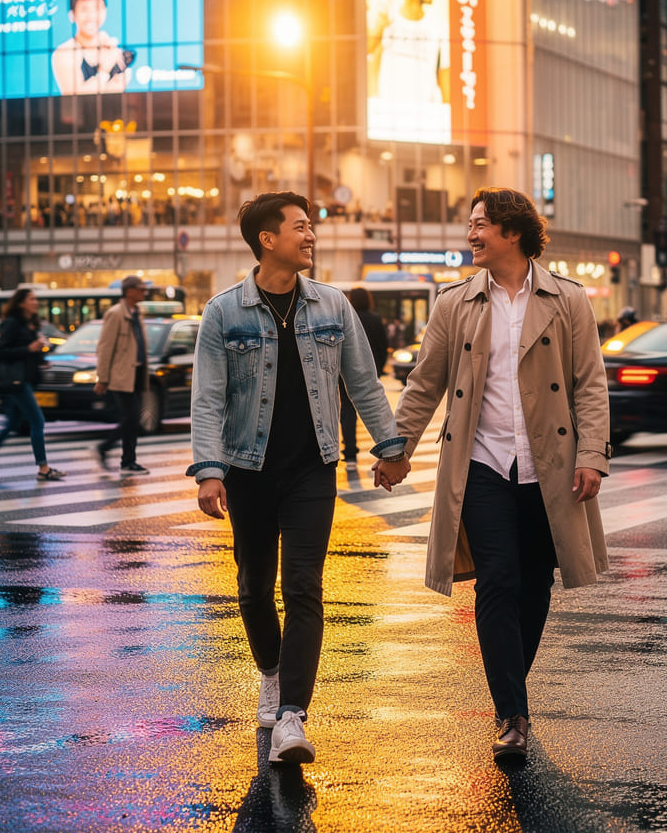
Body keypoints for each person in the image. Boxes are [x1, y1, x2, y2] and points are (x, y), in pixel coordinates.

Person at [387, 187, 610, 763]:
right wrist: (397, 447)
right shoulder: (456, 302)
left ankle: (511, 690)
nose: (471, 234)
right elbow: (425, 382)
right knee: (498, 581)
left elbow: (589, 384)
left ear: (514, 231)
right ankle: (512, 714)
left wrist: (591, 457)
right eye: (470, 224)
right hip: (482, 463)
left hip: (548, 468)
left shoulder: (567, 300)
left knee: (535, 585)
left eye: (481, 224)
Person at [188, 191, 410, 766]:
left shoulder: (334, 306)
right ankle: (271, 670)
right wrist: (209, 472)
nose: (310, 236)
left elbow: (364, 383)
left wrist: (390, 448)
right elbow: (208, 398)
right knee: (253, 587)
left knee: (304, 587)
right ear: (268, 238)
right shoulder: (224, 311)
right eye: (301, 227)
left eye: (310, 228)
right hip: (248, 469)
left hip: (314, 467)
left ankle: (293, 716)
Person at [0, 289, 65, 481]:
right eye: (31, 299)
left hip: (24, 378)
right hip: (15, 381)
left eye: (35, 299)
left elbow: (28, 352)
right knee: (37, 421)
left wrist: (40, 358)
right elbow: (3, 352)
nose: (35, 302)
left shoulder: (30, 323)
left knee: (12, 423)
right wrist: (29, 348)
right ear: (21, 303)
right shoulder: (12, 323)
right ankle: (43, 468)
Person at [368, 0, 450, 105]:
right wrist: (379, 29)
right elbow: (367, 63)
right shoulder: (386, 20)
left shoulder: (439, 26)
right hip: (389, 121)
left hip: (428, 122)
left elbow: (445, 78)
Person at [94, 274, 151, 475]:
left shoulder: (137, 312)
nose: (144, 292)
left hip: (136, 373)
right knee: (131, 417)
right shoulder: (116, 313)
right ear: (129, 291)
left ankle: (127, 460)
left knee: (132, 418)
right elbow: (105, 347)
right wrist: (102, 378)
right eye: (141, 289)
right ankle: (112, 452)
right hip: (121, 375)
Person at [51, 0, 131, 95]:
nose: (91, 15)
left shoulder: (113, 47)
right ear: (72, 14)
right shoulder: (64, 52)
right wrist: (103, 72)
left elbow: (117, 92)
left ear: (105, 10)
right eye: (84, 9)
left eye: (97, 8)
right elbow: (74, 98)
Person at [340, 287, 389, 472]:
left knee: (347, 412)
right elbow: (383, 346)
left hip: (344, 372)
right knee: (374, 408)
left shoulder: (347, 317)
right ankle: (385, 451)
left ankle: (350, 454)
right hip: (371, 370)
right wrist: (379, 368)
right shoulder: (375, 319)